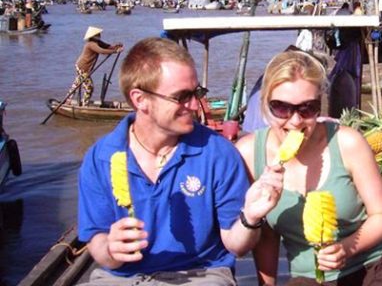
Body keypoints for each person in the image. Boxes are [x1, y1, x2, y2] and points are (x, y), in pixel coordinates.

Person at [77, 37, 284, 285]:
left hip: (202, 274)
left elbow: (237, 247)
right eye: (182, 96)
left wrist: (250, 218)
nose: (196, 105)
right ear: (140, 99)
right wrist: (110, 248)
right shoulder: (101, 158)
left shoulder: (218, 153)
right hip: (121, 277)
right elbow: (96, 239)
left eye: (197, 93)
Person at [235, 50, 382, 285]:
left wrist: (346, 248)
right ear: (265, 104)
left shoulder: (347, 142)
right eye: (281, 108)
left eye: (307, 108)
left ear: (320, 103)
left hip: (371, 265)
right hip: (311, 278)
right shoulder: (249, 153)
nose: (295, 121)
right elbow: (266, 237)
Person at [66, 27, 124, 106]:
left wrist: (116, 46)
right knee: (89, 87)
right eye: (97, 34)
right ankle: (85, 105)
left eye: (99, 34)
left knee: (77, 84)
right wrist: (115, 51)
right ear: (93, 36)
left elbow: (107, 47)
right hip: (83, 67)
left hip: (83, 67)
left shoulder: (98, 42)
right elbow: (102, 51)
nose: (99, 35)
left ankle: (68, 100)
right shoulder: (91, 44)